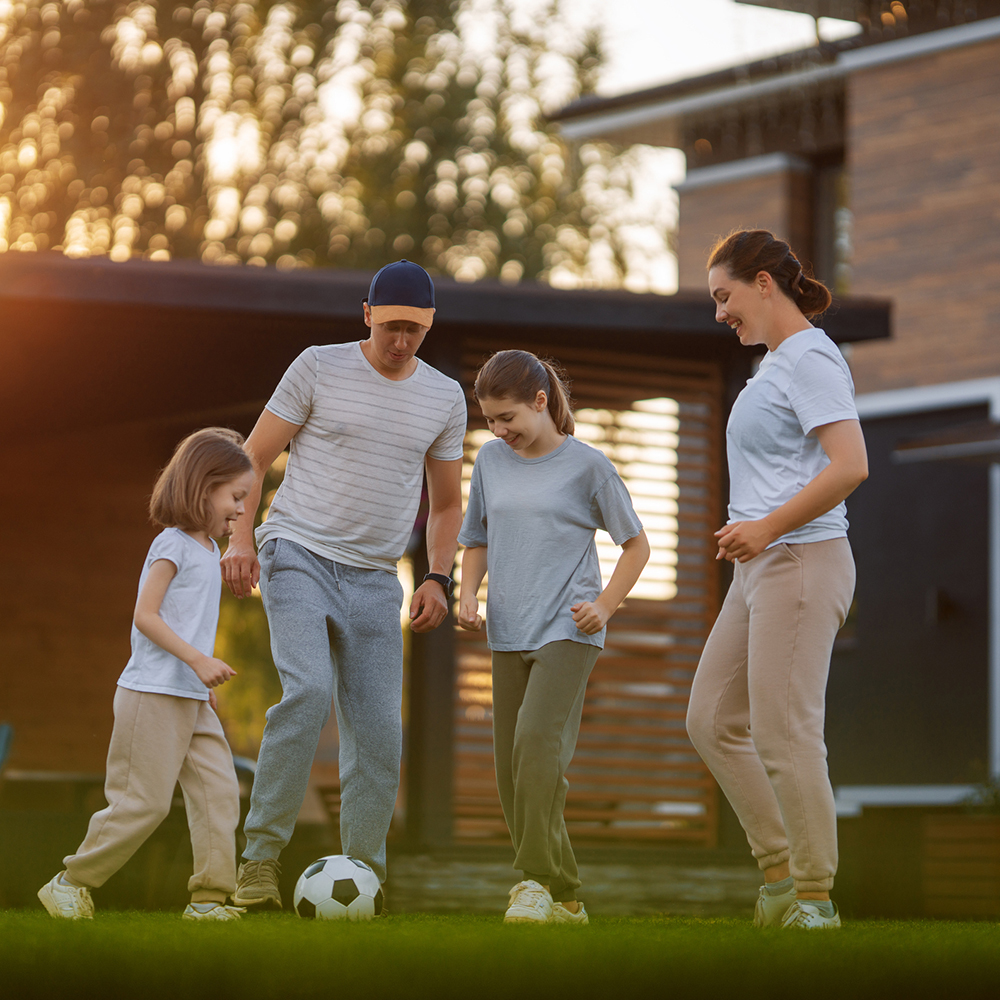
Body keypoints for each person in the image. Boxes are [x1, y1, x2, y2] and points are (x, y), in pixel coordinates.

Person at [221, 259, 466, 909]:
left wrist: (439, 577)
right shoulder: (318, 367)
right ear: (366, 313)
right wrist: (240, 537)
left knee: (381, 731)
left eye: (415, 329)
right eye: (390, 326)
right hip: (296, 551)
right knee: (307, 692)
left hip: (374, 579)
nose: (401, 341)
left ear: (429, 325)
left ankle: (363, 876)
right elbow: (253, 458)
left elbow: (445, 505)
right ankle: (259, 864)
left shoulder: (443, 397)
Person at [686, 229, 869, 930]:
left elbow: (850, 464)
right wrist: (754, 539)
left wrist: (766, 528)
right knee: (711, 720)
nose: (719, 312)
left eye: (723, 296)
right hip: (758, 571)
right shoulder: (774, 367)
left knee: (785, 733)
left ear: (764, 282)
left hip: (800, 560)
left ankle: (814, 900)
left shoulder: (812, 359)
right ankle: (779, 877)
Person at [457, 350, 650, 924]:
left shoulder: (589, 467)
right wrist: (468, 594)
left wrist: (605, 606)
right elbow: (478, 538)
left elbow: (636, 545)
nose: (499, 430)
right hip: (507, 629)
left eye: (508, 417)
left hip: (568, 629)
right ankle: (566, 895)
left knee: (538, 745)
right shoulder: (491, 461)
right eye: (490, 419)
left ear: (541, 402)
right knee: (510, 768)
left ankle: (533, 882)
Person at [38, 428, 254, 921]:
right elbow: (147, 616)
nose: (242, 510)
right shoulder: (172, 544)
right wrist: (198, 662)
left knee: (219, 793)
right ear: (204, 487)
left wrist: (199, 678)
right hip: (151, 694)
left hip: (189, 696)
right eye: (236, 497)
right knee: (144, 803)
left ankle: (208, 900)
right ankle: (70, 883)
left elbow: (189, 624)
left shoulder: (206, 551)